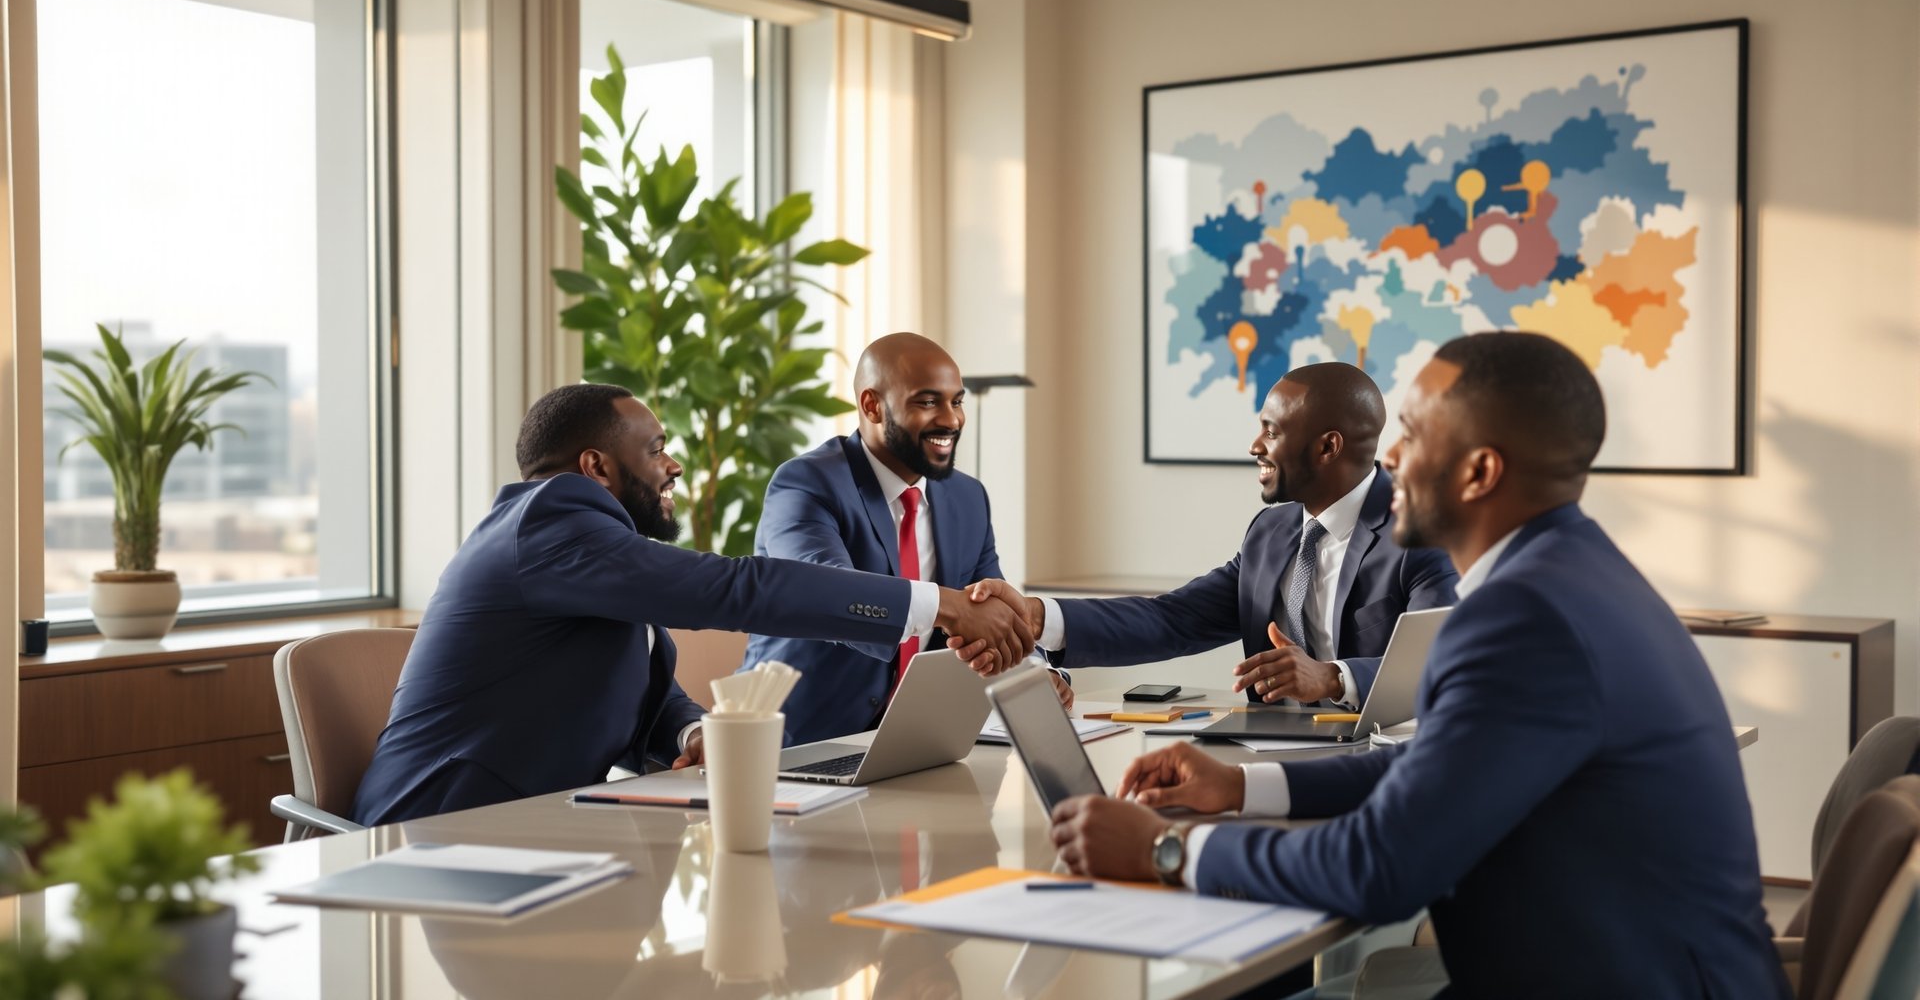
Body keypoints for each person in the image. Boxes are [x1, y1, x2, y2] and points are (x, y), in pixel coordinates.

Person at [1048, 334, 1789, 999]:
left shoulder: (1524, 618)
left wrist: (1164, 846)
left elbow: (1381, 866)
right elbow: (1438, 770)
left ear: (1479, 470)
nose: (1390, 457)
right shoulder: (1569, 574)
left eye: (1408, 433)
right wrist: (1240, 783)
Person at [350, 384, 1035, 827]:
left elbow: (645, 693)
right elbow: (739, 587)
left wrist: (687, 733)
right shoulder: (553, 516)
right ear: (595, 467)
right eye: (655, 450)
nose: (673, 465)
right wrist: (937, 604)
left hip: (539, 832)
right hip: (441, 831)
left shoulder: (592, 553)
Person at [975, 362, 1455, 708]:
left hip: (1382, 760)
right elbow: (1174, 619)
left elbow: (1442, 661)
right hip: (1271, 752)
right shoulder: (1271, 532)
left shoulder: (1423, 534)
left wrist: (1332, 678)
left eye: (1271, 431)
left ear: (1328, 446)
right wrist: (1037, 618)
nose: (1255, 446)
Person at [741, 333, 1072, 746]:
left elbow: (995, 611)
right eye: (927, 402)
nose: (951, 420)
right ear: (872, 405)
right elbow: (827, 596)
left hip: (914, 744)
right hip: (794, 745)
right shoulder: (806, 485)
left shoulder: (967, 498)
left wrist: (1038, 675)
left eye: (957, 401)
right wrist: (945, 605)